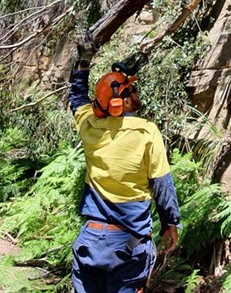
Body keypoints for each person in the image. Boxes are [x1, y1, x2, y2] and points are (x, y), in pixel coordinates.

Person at [68, 54, 181, 293]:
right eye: (132, 91)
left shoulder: (90, 128)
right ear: (124, 102)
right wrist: (170, 223)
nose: (136, 94)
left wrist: (83, 63)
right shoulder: (146, 132)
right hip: (129, 246)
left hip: (90, 243)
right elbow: (162, 184)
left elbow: (77, 98)